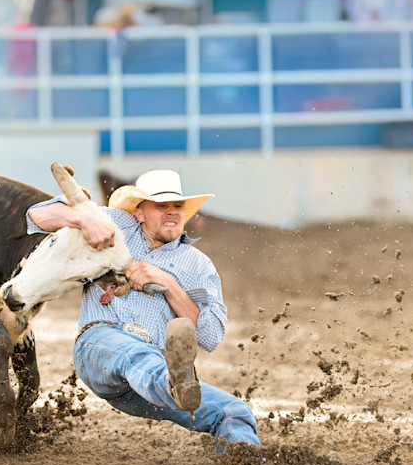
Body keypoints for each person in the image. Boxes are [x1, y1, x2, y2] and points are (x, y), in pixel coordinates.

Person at [26, 169, 261, 450]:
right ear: (139, 213)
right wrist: (83, 219)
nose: (172, 212)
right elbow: (36, 216)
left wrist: (168, 283)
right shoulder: (114, 224)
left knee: (235, 412)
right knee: (137, 355)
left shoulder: (199, 266)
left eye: (177, 206)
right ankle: (171, 383)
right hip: (99, 346)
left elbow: (210, 335)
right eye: (161, 206)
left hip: (147, 379)